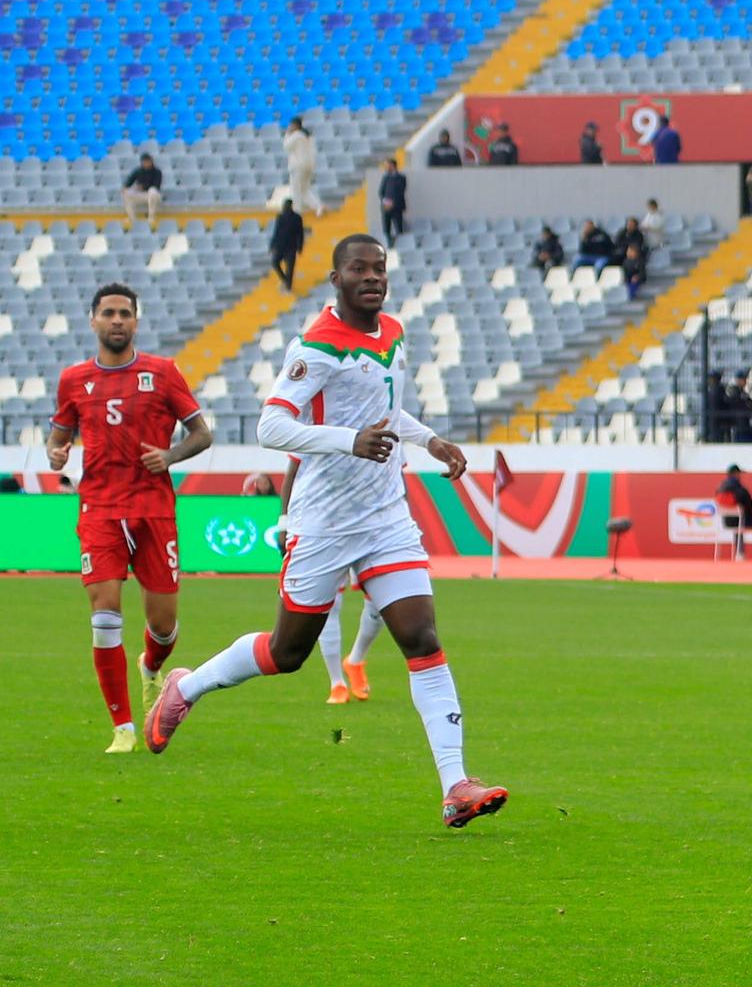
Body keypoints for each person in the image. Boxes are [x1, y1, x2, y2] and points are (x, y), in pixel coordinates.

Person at [144, 234, 510, 830]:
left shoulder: (392, 332)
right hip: (323, 523)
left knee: (421, 637)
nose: (372, 277)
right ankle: (187, 687)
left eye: (379, 268)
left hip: (385, 517)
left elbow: (383, 409)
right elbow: (270, 427)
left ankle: (455, 785)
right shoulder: (315, 346)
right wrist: (349, 441)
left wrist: (428, 440)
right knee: (286, 653)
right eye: (358, 269)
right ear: (336, 279)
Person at [47, 283, 212, 754]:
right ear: (93, 320)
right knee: (104, 616)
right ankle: (123, 727)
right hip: (99, 510)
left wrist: (170, 454)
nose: (116, 320)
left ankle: (151, 665)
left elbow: (201, 433)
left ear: (136, 321)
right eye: (108, 313)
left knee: (164, 626)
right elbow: (58, 435)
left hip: (153, 510)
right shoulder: (74, 379)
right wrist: (56, 453)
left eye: (124, 313)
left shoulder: (162, 373)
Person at [281, 458, 387, 704]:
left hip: (370, 528)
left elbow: (396, 477)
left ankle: (356, 660)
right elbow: (292, 472)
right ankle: (336, 683)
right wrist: (283, 522)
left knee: (380, 602)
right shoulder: (317, 435)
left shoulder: (387, 435)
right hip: (324, 529)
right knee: (329, 604)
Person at [284, 115, 322, 216]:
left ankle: (297, 212)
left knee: (296, 190)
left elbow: (286, 146)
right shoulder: (308, 136)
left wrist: (287, 134)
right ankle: (317, 206)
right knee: (304, 190)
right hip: (309, 165)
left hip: (298, 166)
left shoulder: (296, 136)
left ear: (295, 125)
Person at [269, 200, 304, 292]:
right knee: (275, 263)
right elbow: (277, 231)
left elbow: (300, 233)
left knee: (290, 268)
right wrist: (272, 244)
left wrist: (300, 246)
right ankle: (285, 280)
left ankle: (288, 286)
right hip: (281, 246)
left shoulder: (297, 218)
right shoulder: (280, 217)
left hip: (290, 246)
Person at [121, 153, 163, 224]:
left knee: (152, 191)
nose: (146, 163)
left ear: (151, 161)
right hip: (142, 195)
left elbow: (157, 186)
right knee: (125, 193)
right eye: (144, 162)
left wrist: (143, 187)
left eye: (148, 161)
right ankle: (131, 218)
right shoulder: (138, 171)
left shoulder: (157, 172)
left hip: (154, 196)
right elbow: (129, 181)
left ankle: (151, 217)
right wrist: (125, 187)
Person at [378, 159, 407, 244]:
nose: (386, 167)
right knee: (386, 229)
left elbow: (401, 191)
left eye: (387, 165)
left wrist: (392, 203)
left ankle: (401, 245)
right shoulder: (385, 177)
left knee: (399, 228)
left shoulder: (401, 178)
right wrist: (385, 202)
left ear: (392, 165)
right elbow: (381, 192)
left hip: (397, 207)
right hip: (386, 207)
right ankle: (388, 244)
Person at [726, 370, 752, 443]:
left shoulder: (742, 392)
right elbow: (740, 405)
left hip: (744, 422)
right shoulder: (734, 392)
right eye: (743, 379)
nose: (745, 381)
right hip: (738, 423)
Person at [703, 370, 729, 443]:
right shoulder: (716, 390)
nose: (709, 380)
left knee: (716, 439)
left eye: (711, 378)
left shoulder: (717, 390)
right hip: (715, 420)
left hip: (716, 420)